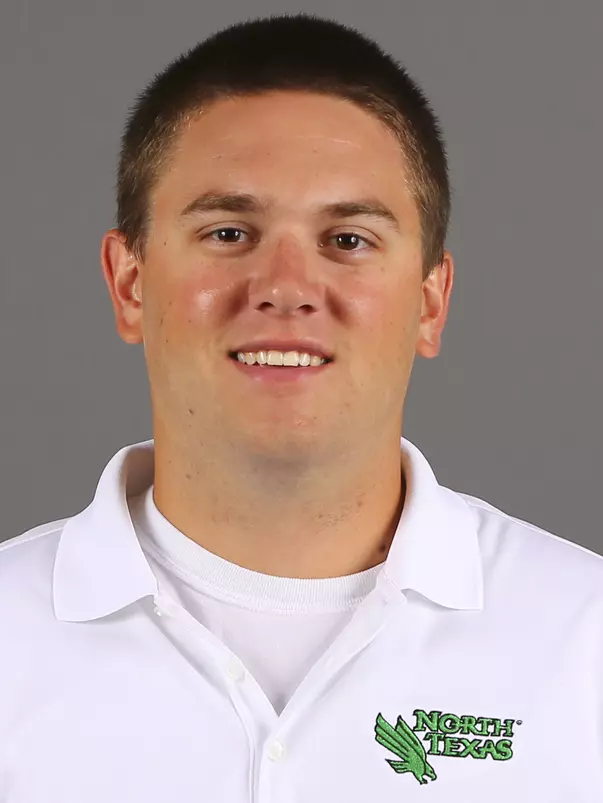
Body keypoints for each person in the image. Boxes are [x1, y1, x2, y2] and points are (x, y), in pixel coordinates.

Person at [1, 12, 601, 802]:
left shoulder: (584, 641)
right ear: (129, 283)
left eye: (347, 239)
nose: (284, 286)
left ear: (429, 303)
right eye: (227, 231)